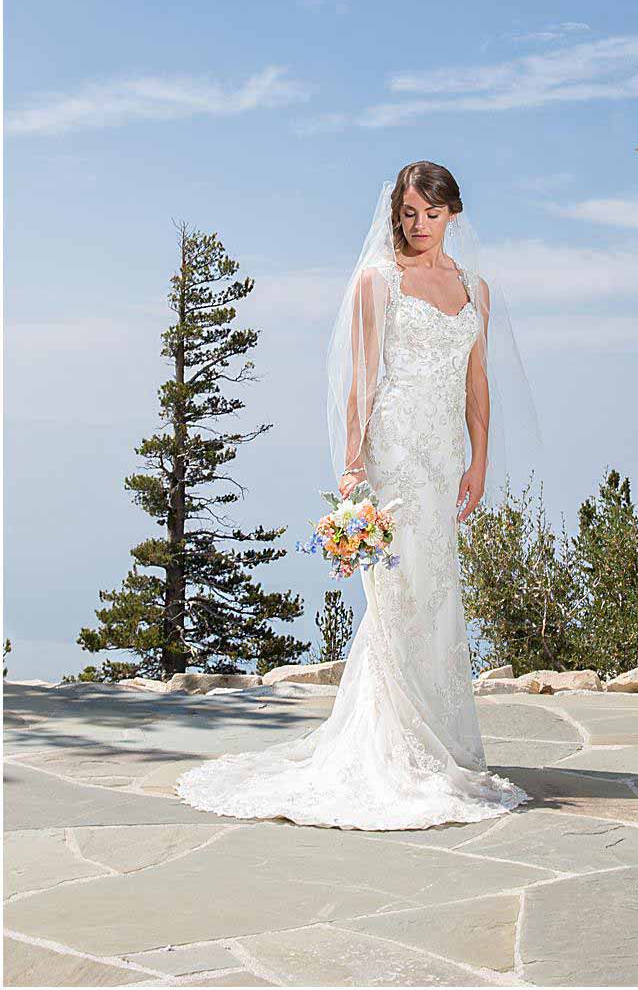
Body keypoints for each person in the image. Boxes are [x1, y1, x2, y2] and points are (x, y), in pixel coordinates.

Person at [174, 162, 537, 830]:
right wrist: (350, 466)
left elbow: (477, 383)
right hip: (394, 451)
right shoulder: (379, 282)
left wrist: (478, 462)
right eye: (408, 214)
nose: (419, 226)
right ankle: (390, 750)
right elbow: (360, 379)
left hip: (441, 456)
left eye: (431, 214)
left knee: (435, 591)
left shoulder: (475, 289)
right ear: (395, 214)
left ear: (453, 213)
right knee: (396, 595)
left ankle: (439, 742)